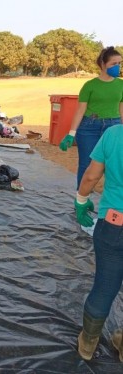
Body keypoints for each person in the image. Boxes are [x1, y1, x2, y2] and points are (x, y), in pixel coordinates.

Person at [74, 124, 123, 362]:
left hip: (114, 225)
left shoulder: (114, 134)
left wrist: (81, 200)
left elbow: (92, 175)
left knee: (104, 287)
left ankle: (88, 344)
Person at [59, 46, 123, 188]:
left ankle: (112, 201)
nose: (118, 67)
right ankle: (81, 201)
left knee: (113, 165)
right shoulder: (90, 86)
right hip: (89, 127)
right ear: (102, 64)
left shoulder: (121, 85)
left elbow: (121, 108)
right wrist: (71, 134)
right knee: (86, 164)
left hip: (114, 127)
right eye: (114, 63)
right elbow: (80, 110)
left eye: (120, 63)